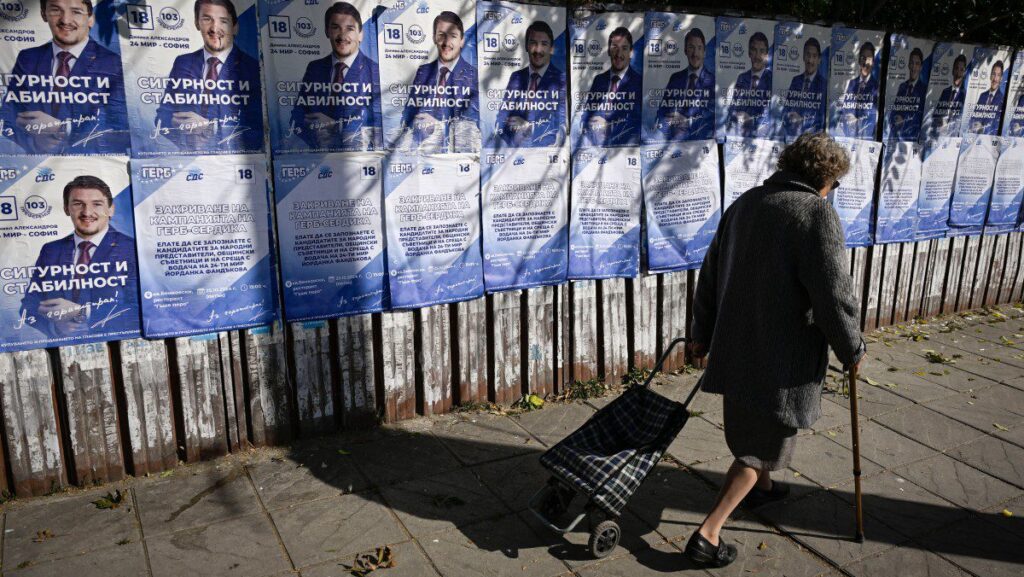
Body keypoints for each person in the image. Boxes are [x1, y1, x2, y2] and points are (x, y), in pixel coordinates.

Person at [685, 132, 865, 568]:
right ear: (824, 177)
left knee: (752, 428)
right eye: (835, 183)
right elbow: (832, 295)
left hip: (737, 348)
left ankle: (763, 490)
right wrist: (852, 347)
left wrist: (700, 334)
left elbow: (709, 275)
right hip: (781, 360)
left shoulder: (745, 203)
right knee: (759, 449)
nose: (833, 191)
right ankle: (708, 535)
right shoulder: (815, 214)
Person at [1, 0, 128, 154]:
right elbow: (8, 118)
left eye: (76, 11)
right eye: (56, 10)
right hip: (37, 165)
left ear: (90, 19)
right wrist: (34, 145)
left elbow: (122, 128)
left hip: (89, 163)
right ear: (44, 14)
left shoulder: (113, 63)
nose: (66, 20)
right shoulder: (27, 58)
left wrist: (62, 129)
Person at [21, 175, 139, 339]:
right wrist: (55, 327)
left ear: (111, 209)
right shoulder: (51, 250)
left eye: (97, 204)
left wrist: (82, 312)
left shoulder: (132, 248)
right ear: (66, 208)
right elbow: (28, 306)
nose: (87, 212)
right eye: (78, 204)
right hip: (62, 350)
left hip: (115, 348)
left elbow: (140, 309)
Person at [155, 0, 264, 152]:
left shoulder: (253, 68)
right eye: (207, 19)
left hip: (232, 159)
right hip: (189, 159)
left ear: (235, 27)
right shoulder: (183, 62)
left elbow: (259, 129)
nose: (214, 28)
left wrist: (210, 129)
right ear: (197, 23)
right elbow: (162, 116)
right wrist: (178, 129)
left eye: (223, 21)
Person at [289, 1, 380, 151]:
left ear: (361, 34)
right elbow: (297, 116)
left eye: (349, 29)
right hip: (318, 156)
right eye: (335, 27)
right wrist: (314, 132)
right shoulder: (314, 68)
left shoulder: (374, 71)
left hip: (357, 157)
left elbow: (378, 122)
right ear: (327, 31)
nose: (342, 35)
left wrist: (335, 128)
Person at [400, 10, 479, 152]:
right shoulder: (423, 71)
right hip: (422, 151)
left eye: (453, 36)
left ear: (462, 41)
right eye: (441, 35)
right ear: (434, 38)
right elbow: (408, 114)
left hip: (455, 155)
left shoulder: (474, 75)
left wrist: (436, 126)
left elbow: (473, 125)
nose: (446, 42)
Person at [494, 20, 566, 148]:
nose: (538, 50)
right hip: (515, 152)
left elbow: (562, 124)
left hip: (544, 154)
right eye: (533, 43)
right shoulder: (516, 77)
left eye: (544, 44)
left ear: (551, 49)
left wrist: (529, 128)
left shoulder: (561, 79)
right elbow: (501, 119)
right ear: (527, 46)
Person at [580, 26, 642, 146]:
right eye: (615, 48)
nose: (619, 54)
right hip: (596, 144)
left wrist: (608, 125)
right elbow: (587, 113)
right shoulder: (599, 80)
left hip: (624, 146)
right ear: (608, 50)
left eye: (624, 48)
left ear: (631, 52)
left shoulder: (638, 81)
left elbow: (638, 120)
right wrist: (590, 121)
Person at [655, 27, 714, 141]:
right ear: (685, 50)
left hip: (699, 143)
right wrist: (666, 130)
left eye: (699, 48)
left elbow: (712, 117)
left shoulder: (712, 81)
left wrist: (687, 121)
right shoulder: (675, 78)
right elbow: (662, 111)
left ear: (704, 52)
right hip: (672, 141)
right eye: (691, 47)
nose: (695, 53)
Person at [728, 32, 772, 138]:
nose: (757, 56)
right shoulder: (742, 77)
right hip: (739, 134)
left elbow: (774, 112)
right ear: (749, 52)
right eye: (754, 50)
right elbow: (732, 108)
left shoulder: (772, 79)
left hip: (762, 137)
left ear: (767, 55)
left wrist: (751, 119)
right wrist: (736, 115)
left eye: (761, 51)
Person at [782, 37, 826, 139]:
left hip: (813, 140)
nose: (810, 60)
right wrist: (789, 116)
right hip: (793, 138)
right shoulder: (795, 80)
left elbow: (822, 118)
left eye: (814, 56)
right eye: (808, 55)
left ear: (819, 60)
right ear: (803, 56)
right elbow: (786, 109)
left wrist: (803, 120)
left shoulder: (823, 84)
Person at [837, 42, 878, 138]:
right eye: (863, 58)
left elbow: (874, 115)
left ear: (873, 62)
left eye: (869, 59)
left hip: (867, 138)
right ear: (859, 60)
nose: (866, 62)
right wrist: (848, 116)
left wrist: (858, 121)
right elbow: (845, 109)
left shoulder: (876, 86)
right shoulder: (851, 83)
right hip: (850, 136)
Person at [887, 47, 926, 141]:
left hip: (913, 138)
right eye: (912, 63)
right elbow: (894, 110)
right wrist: (895, 118)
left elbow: (921, 115)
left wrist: (903, 120)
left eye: (917, 64)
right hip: (897, 137)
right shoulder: (902, 86)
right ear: (908, 65)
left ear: (921, 67)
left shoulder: (924, 89)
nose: (914, 67)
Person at [930, 53, 967, 138]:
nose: (958, 72)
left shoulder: (964, 94)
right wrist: (940, 122)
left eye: (961, 70)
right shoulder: (945, 91)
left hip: (954, 135)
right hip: (941, 133)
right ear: (953, 70)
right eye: (957, 68)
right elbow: (936, 113)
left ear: (964, 73)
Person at [969, 60, 1004, 135]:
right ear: (990, 76)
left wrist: (982, 127)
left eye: (998, 75)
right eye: (993, 74)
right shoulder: (983, 95)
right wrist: (973, 125)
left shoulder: (1002, 99)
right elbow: (974, 116)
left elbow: (997, 124)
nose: (995, 79)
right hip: (975, 135)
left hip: (989, 138)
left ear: (1001, 78)